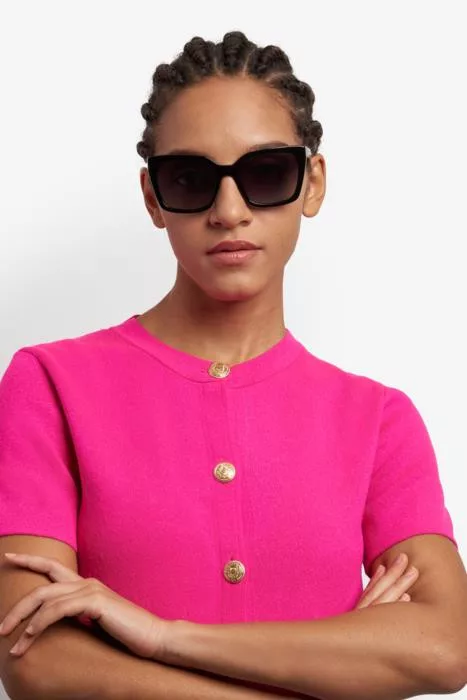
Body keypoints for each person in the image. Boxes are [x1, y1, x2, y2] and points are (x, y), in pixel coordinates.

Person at [0, 30, 461, 699]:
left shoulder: (378, 419)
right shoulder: (49, 384)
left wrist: (162, 635)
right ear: (153, 197)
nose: (229, 211)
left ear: (312, 183)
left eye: (265, 173)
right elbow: (35, 660)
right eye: (190, 179)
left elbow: (446, 646)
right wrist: (330, 670)